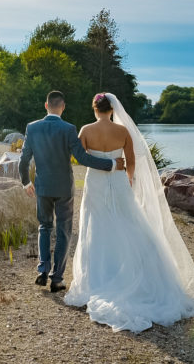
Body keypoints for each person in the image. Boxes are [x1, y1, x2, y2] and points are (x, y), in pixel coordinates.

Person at [64, 92, 194, 332]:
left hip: (96, 184)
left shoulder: (86, 130)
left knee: (96, 224)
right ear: (112, 109)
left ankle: (97, 277)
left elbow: (80, 159)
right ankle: (136, 273)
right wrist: (129, 180)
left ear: (95, 109)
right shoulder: (123, 132)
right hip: (119, 182)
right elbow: (131, 161)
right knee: (127, 222)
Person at [18, 90, 125, 293]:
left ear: (46, 105)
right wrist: (111, 164)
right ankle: (57, 279)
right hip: (64, 188)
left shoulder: (32, 128)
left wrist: (25, 182)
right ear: (63, 107)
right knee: (63, 231)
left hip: (42, 187)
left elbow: (23, 160)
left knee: (44, 227)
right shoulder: (68, 129)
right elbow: (83, 159)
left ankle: (42, 270)